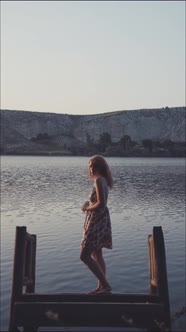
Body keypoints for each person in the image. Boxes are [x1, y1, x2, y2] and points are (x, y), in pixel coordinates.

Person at [80, 155, 113, 294]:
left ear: (101, 167)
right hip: (100, 220)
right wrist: (88, 203)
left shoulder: (99, 180)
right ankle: (101, 287)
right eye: (90, 166)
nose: (92, 168)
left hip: (96, 222)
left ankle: (106, 285)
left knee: (84, 255)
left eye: (94, 166)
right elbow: (99, 202)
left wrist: (87, 208)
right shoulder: (103, 180)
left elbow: (102, 203)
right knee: (97, 254)